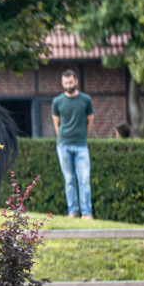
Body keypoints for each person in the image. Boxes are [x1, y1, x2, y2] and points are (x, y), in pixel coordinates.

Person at [52, 69, 94, 219]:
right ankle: (73, 212)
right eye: (65, 83)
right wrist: (63, 137)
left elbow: (90, 121)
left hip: (81, 145)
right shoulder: (57, 102)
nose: (68, 85)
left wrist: (82, 135)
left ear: (75, 81)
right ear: (62, 84)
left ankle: (87, 213)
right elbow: (56, 123)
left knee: (84, 179)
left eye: (70, 82)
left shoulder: (85, 100)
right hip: (63, 145)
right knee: (69, 180)